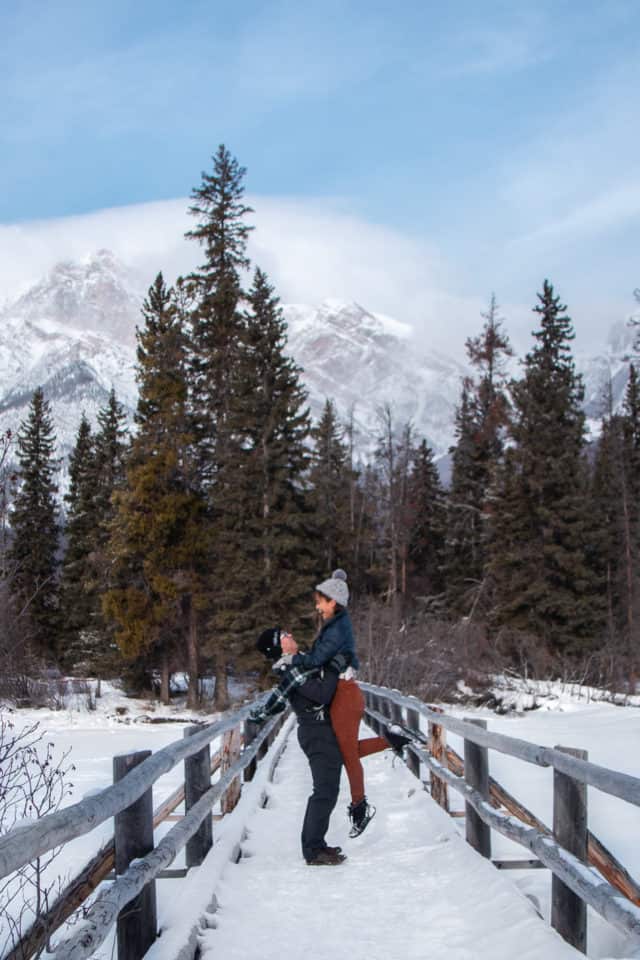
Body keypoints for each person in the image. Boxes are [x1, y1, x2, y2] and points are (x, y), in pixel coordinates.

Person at [281, 570, 410, 837]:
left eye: (320, 601)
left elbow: (316, 659)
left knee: (347, 755)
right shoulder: (336, 625)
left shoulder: (337, 628)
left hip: (345, 695)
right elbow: (320, 659)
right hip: (342, 694)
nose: (317, 606)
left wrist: (291, 659)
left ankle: (360, 806)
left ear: (333, 602)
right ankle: (393, 740)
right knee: (344, 752)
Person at [249, 627, 348, 866]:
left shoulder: (299, 664)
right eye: (284, 635)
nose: (290, 634)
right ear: (278, 647)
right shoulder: (291, 670)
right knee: (324, 791)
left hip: (323, 730)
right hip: (316, 732)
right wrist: (335, 667)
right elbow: (323, 694)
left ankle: (317, 844)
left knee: (328, 791)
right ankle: (313, 850)